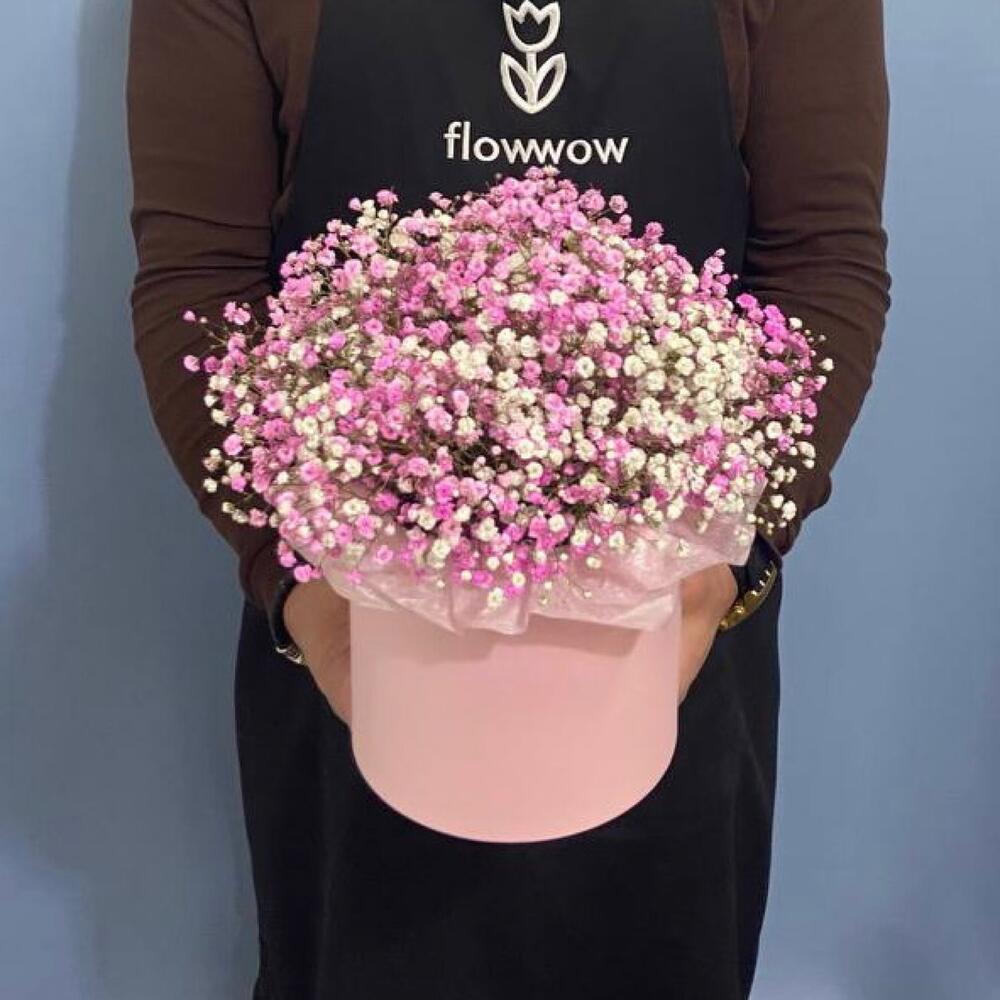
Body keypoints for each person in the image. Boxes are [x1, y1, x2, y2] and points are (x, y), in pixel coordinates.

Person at [126, 0, 890, 996]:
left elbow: (821, 262)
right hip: (352, 625)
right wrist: (303, 590)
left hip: (680, 625)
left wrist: (722, 567)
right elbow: (203, 282)